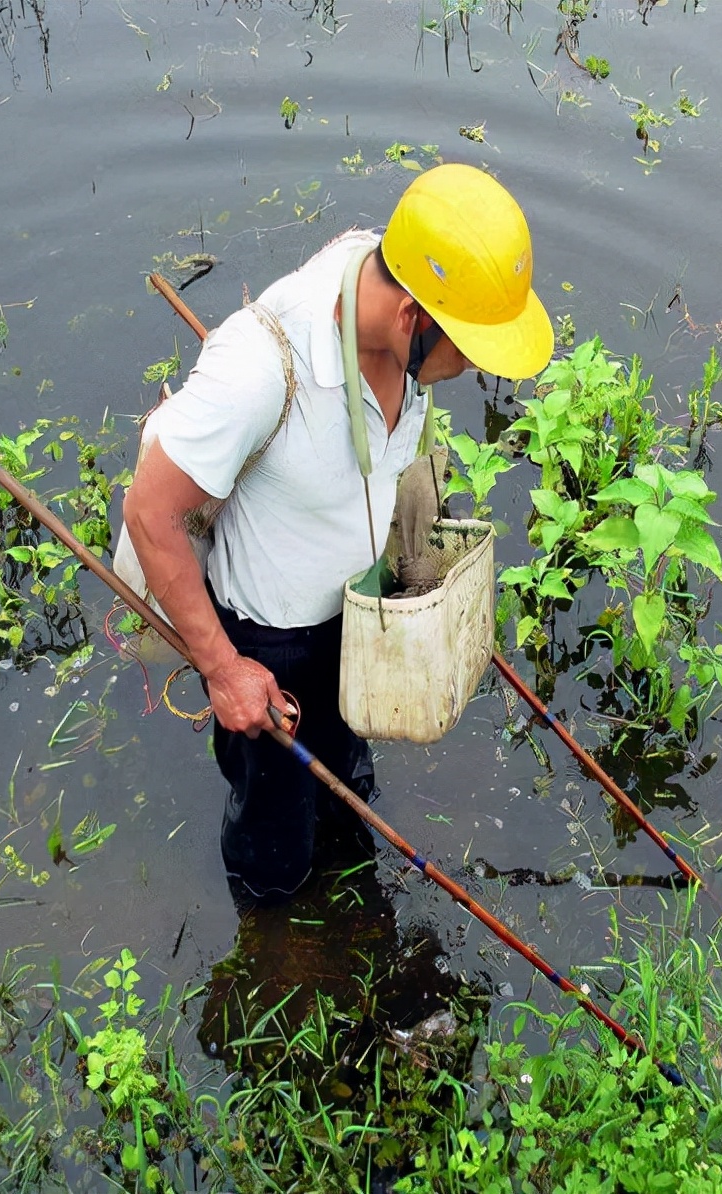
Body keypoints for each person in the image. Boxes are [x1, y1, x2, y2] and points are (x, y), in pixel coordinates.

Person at [122, 163, 553, 905]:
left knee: (347, 783)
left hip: (354, 617)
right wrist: (226, 671)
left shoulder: (399, 284)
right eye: (468, 354)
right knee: (276, 839)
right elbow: (149, 511)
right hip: (269, 643)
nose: (473, 372)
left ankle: (345, 857)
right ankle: (272, 940)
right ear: (413, 316)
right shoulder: (260, 368)